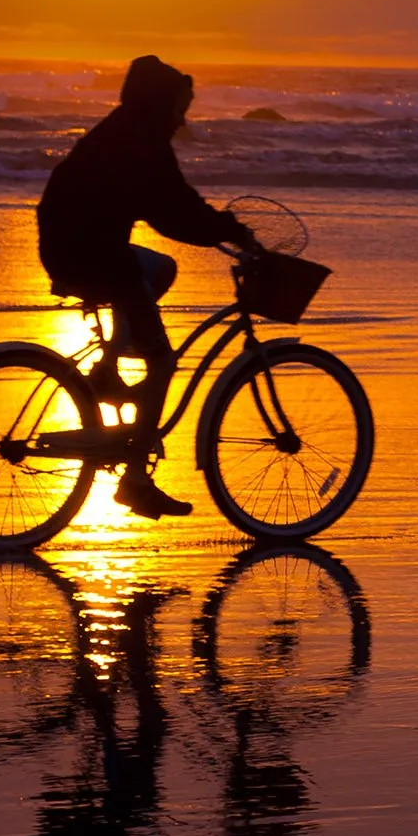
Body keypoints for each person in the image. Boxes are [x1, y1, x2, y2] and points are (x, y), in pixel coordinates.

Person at [37, 55, 255, 519]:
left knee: (159, 269)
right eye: (179, 108)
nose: (182, 119)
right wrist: (230, 230)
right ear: (160, 105)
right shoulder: (141, 143)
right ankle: (135, 480)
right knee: (162, 360)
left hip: (72, 247)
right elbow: (173, 211)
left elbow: (176, 200)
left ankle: (108, 367)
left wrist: (217, 224)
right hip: (95, 257)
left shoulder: (127, 131)